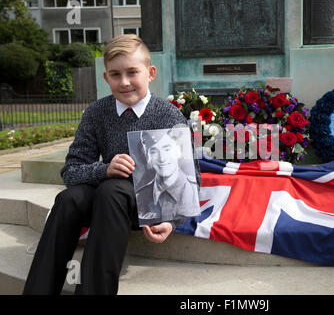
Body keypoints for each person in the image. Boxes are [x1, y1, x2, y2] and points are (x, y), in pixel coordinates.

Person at [22, 34, 201, 295]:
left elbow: (190, 177)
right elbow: (71, 171)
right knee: (69, 198)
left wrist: (173, 221)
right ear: (106, 78)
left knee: (113, 190)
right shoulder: (96, 112)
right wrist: (103, 168)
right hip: (103, 201)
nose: (125, 82)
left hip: (141, 207)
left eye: (132, 72)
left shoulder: (168, 115)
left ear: (150, 73)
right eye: (115, 75)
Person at [136, 128, 200, 226]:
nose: (162, 158)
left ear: (178, 151)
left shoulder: (192, 191)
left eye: (167, 149)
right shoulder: (140, 196)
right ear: (148, 157)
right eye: (154, 151)